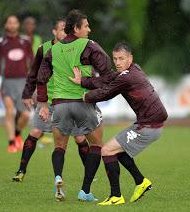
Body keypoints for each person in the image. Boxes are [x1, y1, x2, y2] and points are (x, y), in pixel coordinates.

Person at [71, 41, 168, 205]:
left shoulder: (127, 76)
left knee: (107, 150)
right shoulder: (132, 69)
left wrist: (85, 97)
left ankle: (116, 196)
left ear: (130, 59)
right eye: (115, 58)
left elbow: (105, 92)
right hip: (150, 124)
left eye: (121, 58)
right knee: (119, 150)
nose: (117, 62)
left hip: (147, 126)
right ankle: (140, 181)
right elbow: (106, 80)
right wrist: (83, 82)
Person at [37, 9, 115, 202]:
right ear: (77, 28)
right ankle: (85, 191)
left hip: (60, 105)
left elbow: (41, 78)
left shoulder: (52, 50)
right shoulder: (88, 45)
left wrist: (43, 104)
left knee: (59, 147)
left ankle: (58, 178)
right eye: (86, 26)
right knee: (96, 145)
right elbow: (108, 73)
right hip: (82, 103)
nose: (89, 29)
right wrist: (89, 82)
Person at [12, 19, 90, 183]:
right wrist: (27, 94)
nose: (65, 33)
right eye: (62, 30)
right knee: (35, 132)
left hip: (69, 100)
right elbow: (33, 73)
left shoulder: (75, 47)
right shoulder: (44, 49)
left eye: (67, 30)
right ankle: (21, 170)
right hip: (47, 100)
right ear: (54, 32)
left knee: (80, 138)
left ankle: (90, 173)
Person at [0, 15, 34, 153]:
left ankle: (17, 134)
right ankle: (11, 143)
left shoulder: (25, 41)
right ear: (6, 25)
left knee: (26, 115)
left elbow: (32, 63)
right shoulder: (0, 43)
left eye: (14, 22)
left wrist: (33, 82)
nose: (12, 24)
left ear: (18, 25)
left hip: (23, 82)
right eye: (9, 22)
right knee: (9, 111)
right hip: (7, 82)